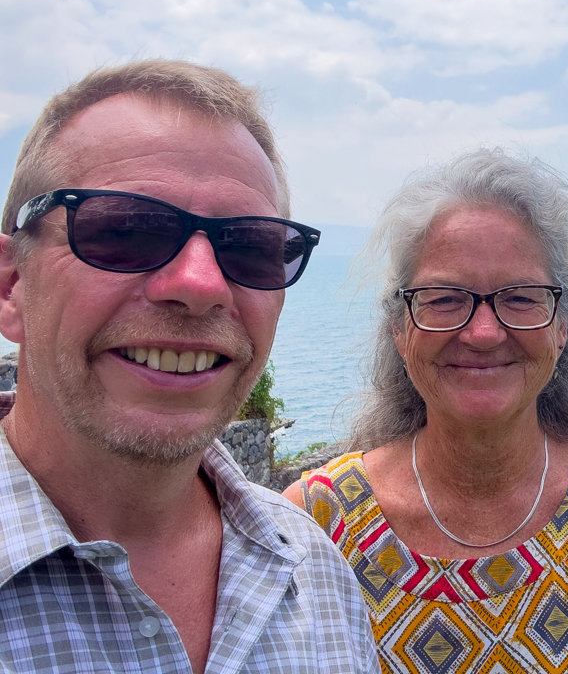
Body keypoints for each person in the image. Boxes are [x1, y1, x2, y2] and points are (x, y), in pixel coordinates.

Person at [0, 60, 380, 673]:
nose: (200, 284)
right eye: (124, 230)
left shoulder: (318, 578)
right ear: (11, 286)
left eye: (250, 247)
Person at [285, 150, 568, 673]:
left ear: (561, 325)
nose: (484, 333)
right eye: (443, 298)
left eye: (520, 297)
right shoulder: (318, 524)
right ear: (399, 329)